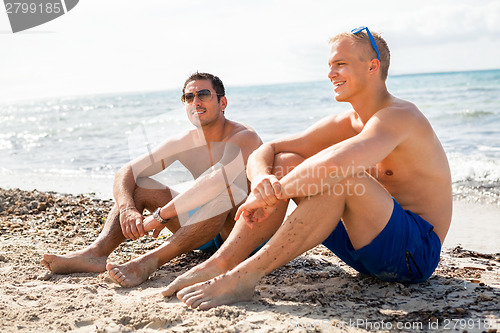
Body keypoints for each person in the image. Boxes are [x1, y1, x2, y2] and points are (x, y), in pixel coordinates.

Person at [161, 27, 453, 309]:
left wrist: (271, 195)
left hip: (413, 254)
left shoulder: (400, 117)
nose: (330, 74)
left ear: (372, 67)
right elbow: (270, 149)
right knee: (287, 161)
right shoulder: (345, 122)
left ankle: (244, 276)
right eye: (329, 65)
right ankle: (223, 261)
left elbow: (336, 163)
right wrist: (262, 179)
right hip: (363, 250)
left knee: (340, 177)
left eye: (340, 64)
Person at [41, 72, 269, 288]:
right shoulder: (184, 142)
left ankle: (149, 261)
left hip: (244, 233)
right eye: (189, 97)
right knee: (139, 187)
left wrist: (160, 216)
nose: (196, 101)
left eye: (204, 94)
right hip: (204, 232)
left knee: (224, 190)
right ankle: (95, 254)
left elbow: (216, 180)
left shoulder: (244, 137)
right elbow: (127, 171)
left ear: (223, 103)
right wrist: (128, 208)